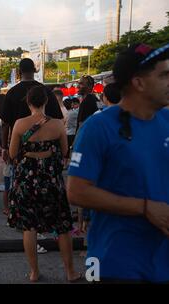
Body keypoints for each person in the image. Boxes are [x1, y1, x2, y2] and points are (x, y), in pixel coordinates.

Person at [67, 43, 169, 283]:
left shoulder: (166, 121)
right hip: (115, 262)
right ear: (139, 83)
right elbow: (76, 192)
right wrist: (145, 207)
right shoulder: (98, 127)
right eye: (164, 75)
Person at [8, 86, 79, 283]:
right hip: (51, 179)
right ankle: (70, 272)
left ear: (28, 102)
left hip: (27, 180)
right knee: (62, 225)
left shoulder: (20, 124)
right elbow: (65, 151)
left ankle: (34, 272)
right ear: (46, 101)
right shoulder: (57, 124)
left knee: (29, 227)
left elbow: (13, 154)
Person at [0, 58, 63, 163]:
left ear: (19, 72)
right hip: (47, 150)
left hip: (20, 149)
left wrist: (4, 148)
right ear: (34, 70)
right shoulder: (46, 91)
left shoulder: (11, 93)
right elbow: (59, 119)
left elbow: (5, 124)